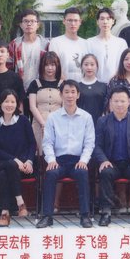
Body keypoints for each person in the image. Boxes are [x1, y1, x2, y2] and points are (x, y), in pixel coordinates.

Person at [36, 80, 96, 229]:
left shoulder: (86, 117)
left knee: (82, 173)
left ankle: (85, 216)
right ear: (61, 95)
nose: (70, 95)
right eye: (66, 92)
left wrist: (84, 160)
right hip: (59, 160)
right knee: (50, 174)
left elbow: (89, 143)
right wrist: (51, 160)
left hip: (78, 160)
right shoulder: (53, 117)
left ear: (78, 95)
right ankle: (47, 216)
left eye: (73, 92)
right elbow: (47, 142)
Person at [93, 87, 130, 227]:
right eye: (116, 101)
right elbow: (97, 145)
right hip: (112, 162)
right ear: (110, 102)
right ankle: (106, 212)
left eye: (122, 101)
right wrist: (103, 160)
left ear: (129, 102)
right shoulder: (102, 121)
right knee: (105, 172)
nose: (119, 104)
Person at [0, 89, 36, 227]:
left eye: (12, 101)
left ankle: (5, 213)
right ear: (0, 103)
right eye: (6, 101)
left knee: (4, 174)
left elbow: (32, 144)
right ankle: (20, 202)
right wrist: (15, 160)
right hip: (1, 163)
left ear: (17, 104)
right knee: (9, 165)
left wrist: (29, 161)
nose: (9, 104)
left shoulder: (23, 121)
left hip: (23, 168)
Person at [27, 51, 63, 155]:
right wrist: (43, 124)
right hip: (39, 124)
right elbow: (32, 106)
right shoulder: (35, 84)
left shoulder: (62, 84)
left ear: (57, 66)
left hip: (58, 124)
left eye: (52, 65)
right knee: (39, 153)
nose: (49, 68)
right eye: (46, 65)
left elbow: (64, 107)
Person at [7, 9, 50, 93]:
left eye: (32, 21)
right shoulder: (14, 44)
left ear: (38, 25)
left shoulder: (46, 45)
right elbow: (8, 67)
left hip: (41, 89)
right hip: (19, 89)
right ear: (21, 25)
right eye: (26, 21)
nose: (29, 24)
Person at [87, 7, 129, 83]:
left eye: (108, 19)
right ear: (97, 22)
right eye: (102, 19)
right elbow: (86, 65)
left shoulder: (121, 43)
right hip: (95, 84)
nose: (105, 22)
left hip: (116, 83)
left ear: (113, 21)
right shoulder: (89, 42)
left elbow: (124, 64)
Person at [49, 7, 89, 81]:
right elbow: (53, 65)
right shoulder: (55, 42)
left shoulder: (86, 43)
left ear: (80, 22)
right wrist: (65, 84)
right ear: (64, 21)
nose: (73, 23)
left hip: (83, 85)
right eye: (70, 20)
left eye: (75, 20)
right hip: (62, 85)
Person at [77, 54, 108, 127]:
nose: (89, 67)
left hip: (99, 124)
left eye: (92, 64)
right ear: (81, 66)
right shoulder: (77, 86)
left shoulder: (103, 86)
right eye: (86, 64)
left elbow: (106, 108)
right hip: (80, 124)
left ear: (97, 66)